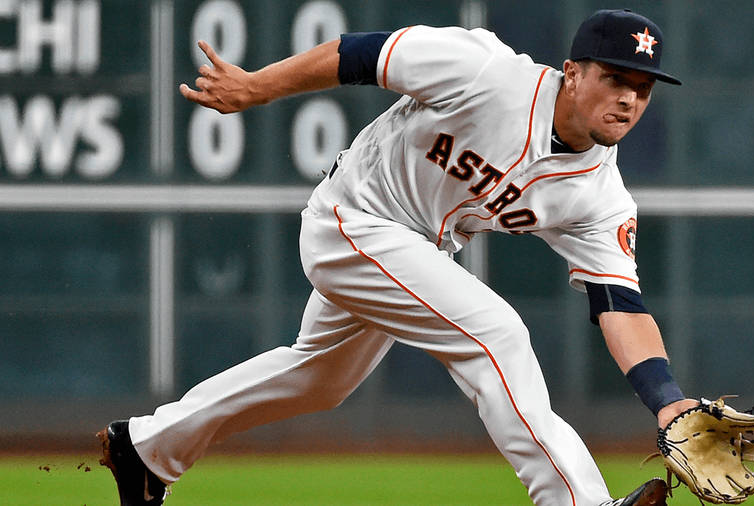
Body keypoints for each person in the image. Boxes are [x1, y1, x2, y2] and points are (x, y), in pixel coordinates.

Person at [98, 8, 698, 506]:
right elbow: (361, 54)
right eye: (615, 79)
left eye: (641, 89)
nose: (628, 98)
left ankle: (147, 450)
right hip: (351, 220)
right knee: (496, 334)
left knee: (320, 379)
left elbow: (620, 304)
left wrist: (668, 401)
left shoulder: (600, 196)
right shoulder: (487, 72)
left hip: (416, 251)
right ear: (571, 72)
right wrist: (256, 87)